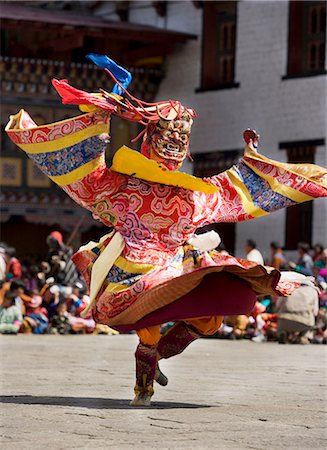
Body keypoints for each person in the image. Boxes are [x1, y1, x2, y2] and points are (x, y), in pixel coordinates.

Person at [6, 53, 327, 405]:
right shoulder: (123, 187)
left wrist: (251, 157)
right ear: (152, 137)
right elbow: (90, 179)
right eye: (170, 133)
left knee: (210, 319)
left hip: (179, 264)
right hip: (137, 268)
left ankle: (156, 358)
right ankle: (143, 384)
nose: (176, 140)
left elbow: (235, 191)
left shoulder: (193, 195)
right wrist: (98, 117)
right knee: (148, 328)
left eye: (182, 135)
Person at [276, 279, 319, 344]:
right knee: (310, 320)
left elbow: (278, 305)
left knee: (282, 324)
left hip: (284, 320)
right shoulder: (313, 291)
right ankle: (304, 336)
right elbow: (315, 312)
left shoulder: (289, 288)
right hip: (304, 322)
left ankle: (283, 332)